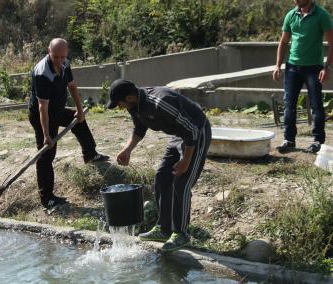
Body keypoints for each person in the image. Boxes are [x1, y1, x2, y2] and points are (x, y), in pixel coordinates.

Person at [108, 79, 211, 252]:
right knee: (162, 177)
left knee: (181, 182)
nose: (119, 107)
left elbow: (191, 130)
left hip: (196, 133)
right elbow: (140, 128)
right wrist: (127, 150)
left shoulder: (160, 102)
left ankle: (181, 233)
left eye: (119, 104)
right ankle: (164, 229)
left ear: (130, 97)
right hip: (178, 136)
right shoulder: (135, 106)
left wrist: (186, 160)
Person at [29, 38, 109, 209]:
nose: (59, 60)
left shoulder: (65, 63)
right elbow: (43, 107)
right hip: (41, 115)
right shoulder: (42, 73)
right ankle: (47, 198)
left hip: (57, 109)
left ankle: (90, 154)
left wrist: (79, 111)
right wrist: (46, 135)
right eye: (56, 57)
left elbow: (72, 86)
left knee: (78, 122)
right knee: (46, 155)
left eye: (62, 57)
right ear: (48, 51)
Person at [273, 0, 333, 154]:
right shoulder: (291, 15)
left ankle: (317, 141)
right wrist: (278, 65)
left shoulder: (322, 15)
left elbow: (331, 42)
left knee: (316, 105)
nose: (295, 0)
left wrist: (327, 67)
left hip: (314, 67)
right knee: (289, 104)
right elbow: (284, 41)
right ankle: (289, 139)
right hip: (292, 67)